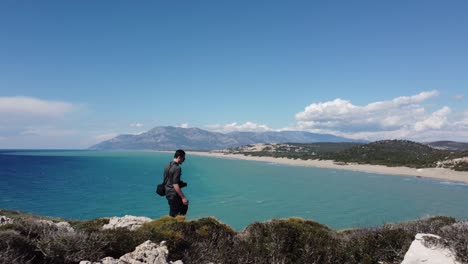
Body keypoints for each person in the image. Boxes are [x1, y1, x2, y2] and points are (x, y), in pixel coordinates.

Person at [164, 149, 189, 217]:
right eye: (183, 158)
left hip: (167, 192)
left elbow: (168, 180)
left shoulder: (167, 165)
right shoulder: (177, 168)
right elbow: (175, 184)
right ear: (179, 157)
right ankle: (178, 225)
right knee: (183, 207)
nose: (184, 160)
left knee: (173, 212)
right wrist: (183, 197)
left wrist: (181, 183)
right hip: (173, 194)